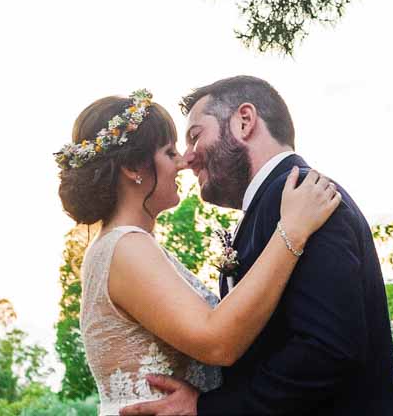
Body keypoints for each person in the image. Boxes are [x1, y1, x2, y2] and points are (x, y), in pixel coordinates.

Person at [120, 75, 393, 416]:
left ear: (244, 121)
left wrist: (210, 409)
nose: (188, 157)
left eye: (196, 136)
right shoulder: (276, 205)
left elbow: (327, 349)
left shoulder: (306, 195)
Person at [57, 88, 341, 416]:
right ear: (134, 167)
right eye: (169, 152)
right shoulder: (126, 247)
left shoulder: (123, 246)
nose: (183, 162)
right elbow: (218, 342)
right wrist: (292, 230)